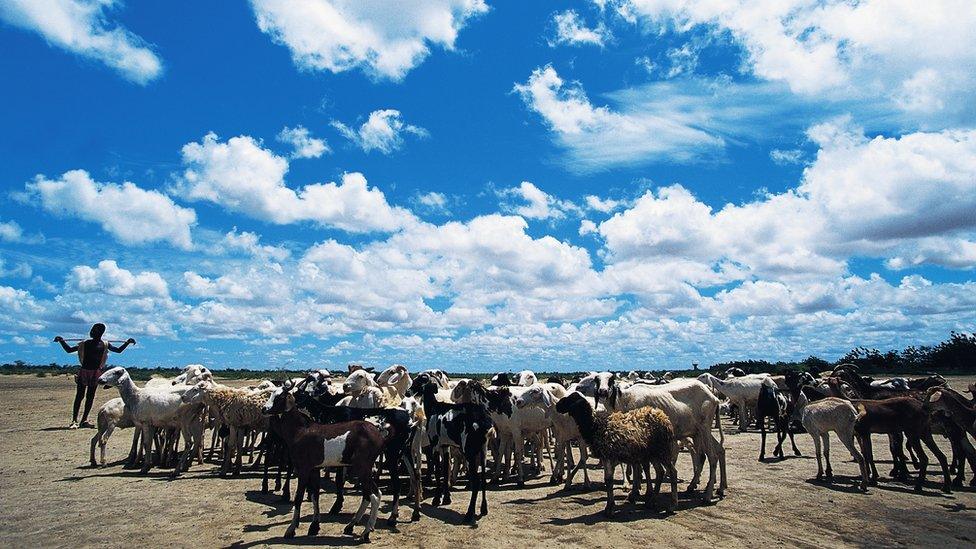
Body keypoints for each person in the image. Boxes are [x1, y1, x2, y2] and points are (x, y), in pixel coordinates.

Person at [54, 323, 135, 429]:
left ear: (100, 333)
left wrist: (127, 343)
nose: (91, 332)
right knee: (79, 396)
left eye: (94, 331)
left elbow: (118, 350)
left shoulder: (105, 344)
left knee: (90, 397)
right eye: (92, 330)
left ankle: (84, 420)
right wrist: (62, 341)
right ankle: (74, 420)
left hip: (96, 373)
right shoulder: (84, 343)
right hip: (84, 371)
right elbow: (69, 350)